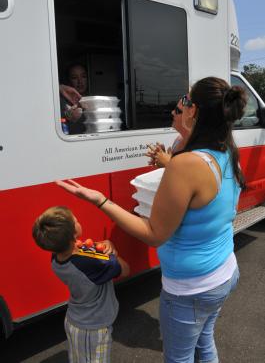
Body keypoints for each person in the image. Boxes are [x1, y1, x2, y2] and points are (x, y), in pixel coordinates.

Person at [56, 76, 247, 363]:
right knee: (204, 344)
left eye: (184, 100)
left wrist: (101, 200)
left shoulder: (187, 164)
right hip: (224, 271)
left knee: (179, 358)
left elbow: (154, 234)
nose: (178, 106)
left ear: (193, 110)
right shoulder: (226, 150)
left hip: (190, 288)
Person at [32, 206, 129, 363]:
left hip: (75, 320)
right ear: (73, 233)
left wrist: (91, 249)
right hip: (94, 328)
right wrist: (112, 250)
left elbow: (79, 254)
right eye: (76, 220)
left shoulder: (56, 258)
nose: (78, 221)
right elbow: (125, 270)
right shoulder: (93, 263)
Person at [60, 64, 89, 134]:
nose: (80, 81)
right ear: (68, 80)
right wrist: (68, 117)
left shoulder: (93, 100)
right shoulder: (61, 101)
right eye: (74, 77)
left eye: (83, 76)